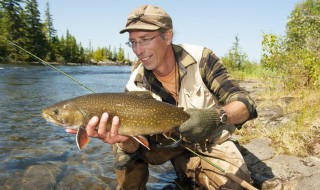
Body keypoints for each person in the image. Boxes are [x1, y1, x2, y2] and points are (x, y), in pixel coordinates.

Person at [67, 4, 257, 190]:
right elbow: (138, 145)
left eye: (145, 39)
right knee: (121, 148)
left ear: (167, 36)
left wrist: (217, 116)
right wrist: (124, 140)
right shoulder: (135, 83)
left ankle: (188, 166)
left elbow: (245, 104)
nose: (138, 50)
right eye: (133, 42)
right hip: (161, 146)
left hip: (208, 142)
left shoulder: (202, 59)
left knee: (235, 185)